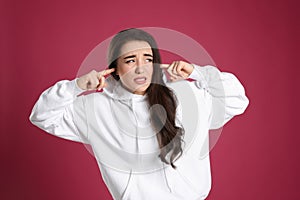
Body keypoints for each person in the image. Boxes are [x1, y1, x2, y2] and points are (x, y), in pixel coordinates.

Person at [30, 28, 249, 200]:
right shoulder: (95, 107)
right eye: (130, 60)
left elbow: (236, 99)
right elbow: (42, 115)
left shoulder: (186, 94)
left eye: (147, 58)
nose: (140, 68)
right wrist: (76, 86)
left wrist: (197, 72)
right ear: (115, 67)